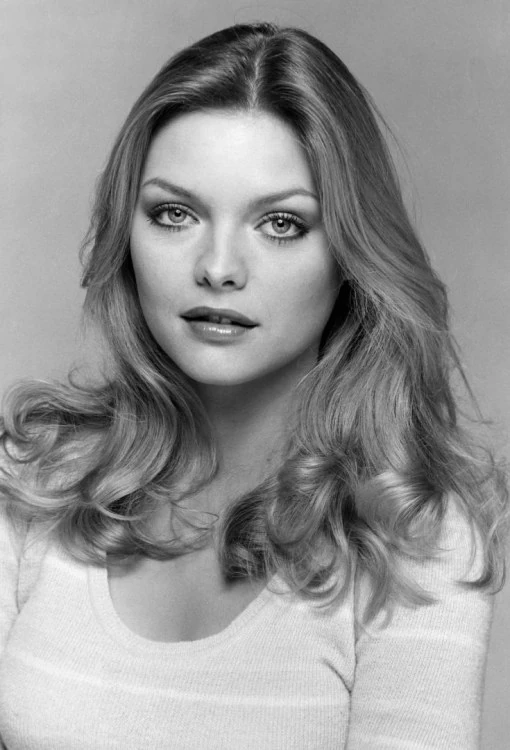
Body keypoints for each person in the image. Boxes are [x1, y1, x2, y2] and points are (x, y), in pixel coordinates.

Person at [0, 22, 508, 750]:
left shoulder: (410, 534)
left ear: (351, 254)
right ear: (126, 233)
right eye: (175, 214)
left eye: (280, 223)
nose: (217, 267)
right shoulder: (36, 482)